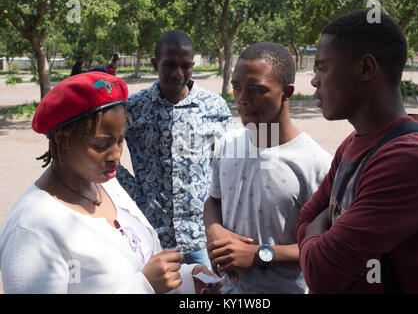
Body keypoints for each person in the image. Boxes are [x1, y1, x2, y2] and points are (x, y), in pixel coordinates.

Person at [0, 72, 221, 294]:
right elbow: (143, 283)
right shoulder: (31, 229)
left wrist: (185, 278)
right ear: (62, 139)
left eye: (120, 140)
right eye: (100, 145)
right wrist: (144, 287)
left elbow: (140, 267)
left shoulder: (106, 185)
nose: (116, 154)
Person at [296, 10, 418, 293]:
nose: (315, 80)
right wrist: (317, 231)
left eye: (323, 68)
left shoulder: (410, 159)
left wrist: (319, 226)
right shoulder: (353, 143)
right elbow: (303, 220)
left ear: (366, 68)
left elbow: (320, 272)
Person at [204, 42, 332, 294]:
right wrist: (214, 230)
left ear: (287, 92)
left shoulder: (316, 164)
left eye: (256, 90)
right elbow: (213, 201)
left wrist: (258, 255)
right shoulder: (228, 144)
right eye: (237, 88)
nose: (241, 99)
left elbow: (325, 250)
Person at [116, 30, 236, 269]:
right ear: (154, 64)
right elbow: (105, 153)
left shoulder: (213, 105)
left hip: (201, 237)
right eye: (169, 65)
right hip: (152, 236)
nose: (177, 74)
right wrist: (133, 190)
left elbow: (229, 160)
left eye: (186, 66)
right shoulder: (134, 108)